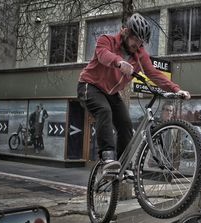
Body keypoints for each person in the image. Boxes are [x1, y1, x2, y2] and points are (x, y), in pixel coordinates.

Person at [77, 13, 190, 172]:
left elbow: (153, 73)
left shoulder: (140, 54)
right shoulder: (106, 40)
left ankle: (123, 166)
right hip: (89, 86)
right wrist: (119, 62)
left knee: (125, 125)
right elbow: (103, 56)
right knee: (104, 111)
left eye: (140, 41)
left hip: (111, 93)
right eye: (135, 39)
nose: (137, 44)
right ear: (125, 32)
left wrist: (176, 89)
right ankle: (108, 157)